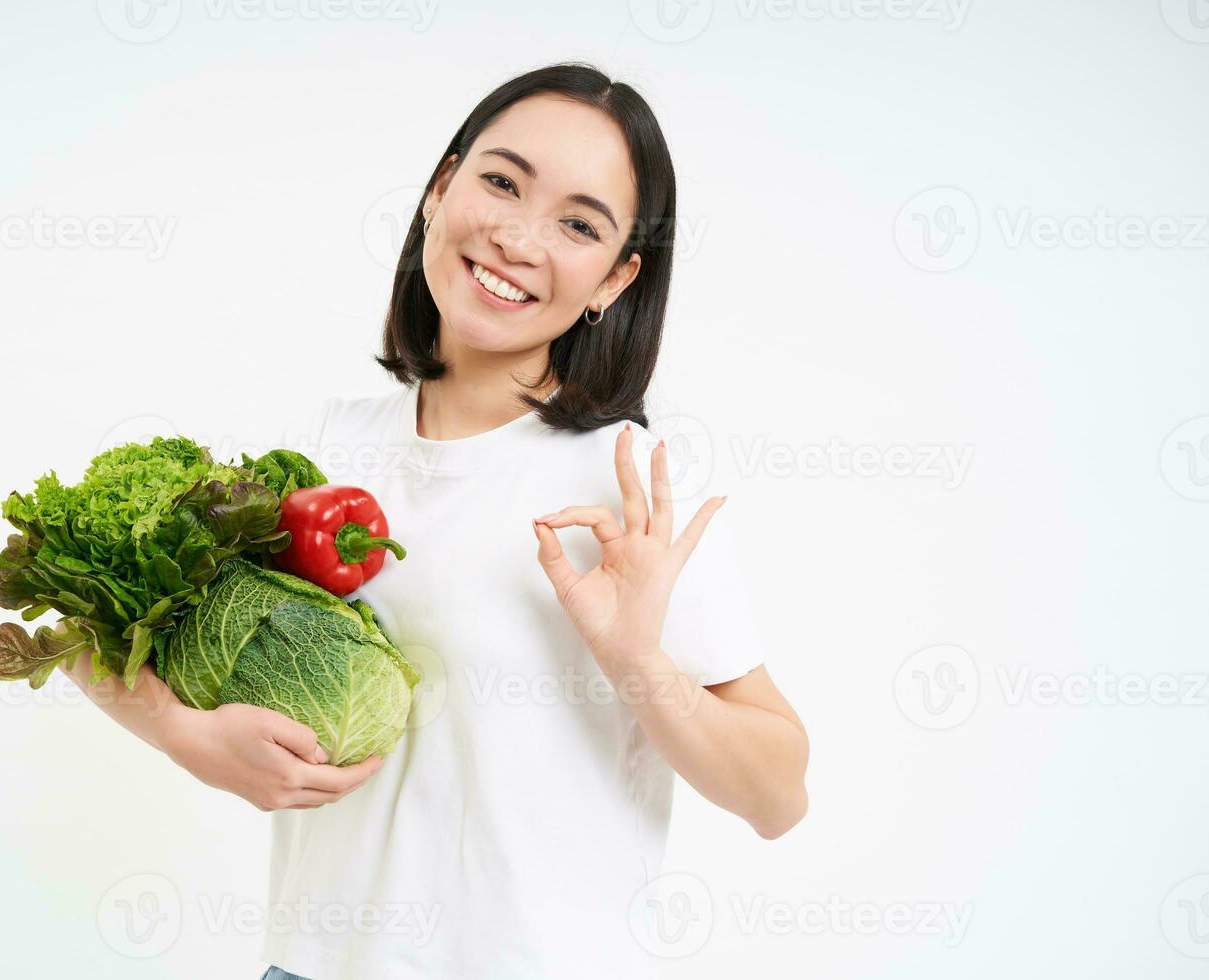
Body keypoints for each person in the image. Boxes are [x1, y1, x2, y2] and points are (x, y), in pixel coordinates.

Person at [63, 61, 809, 980]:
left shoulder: (629, 481)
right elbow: (90, 628)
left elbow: (779, 796)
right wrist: (188, 737)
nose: (516, 237)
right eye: (501, 182)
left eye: (578, 223)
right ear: (438, 191)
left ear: (615, 279)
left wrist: (638, 665)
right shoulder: (326, 446)